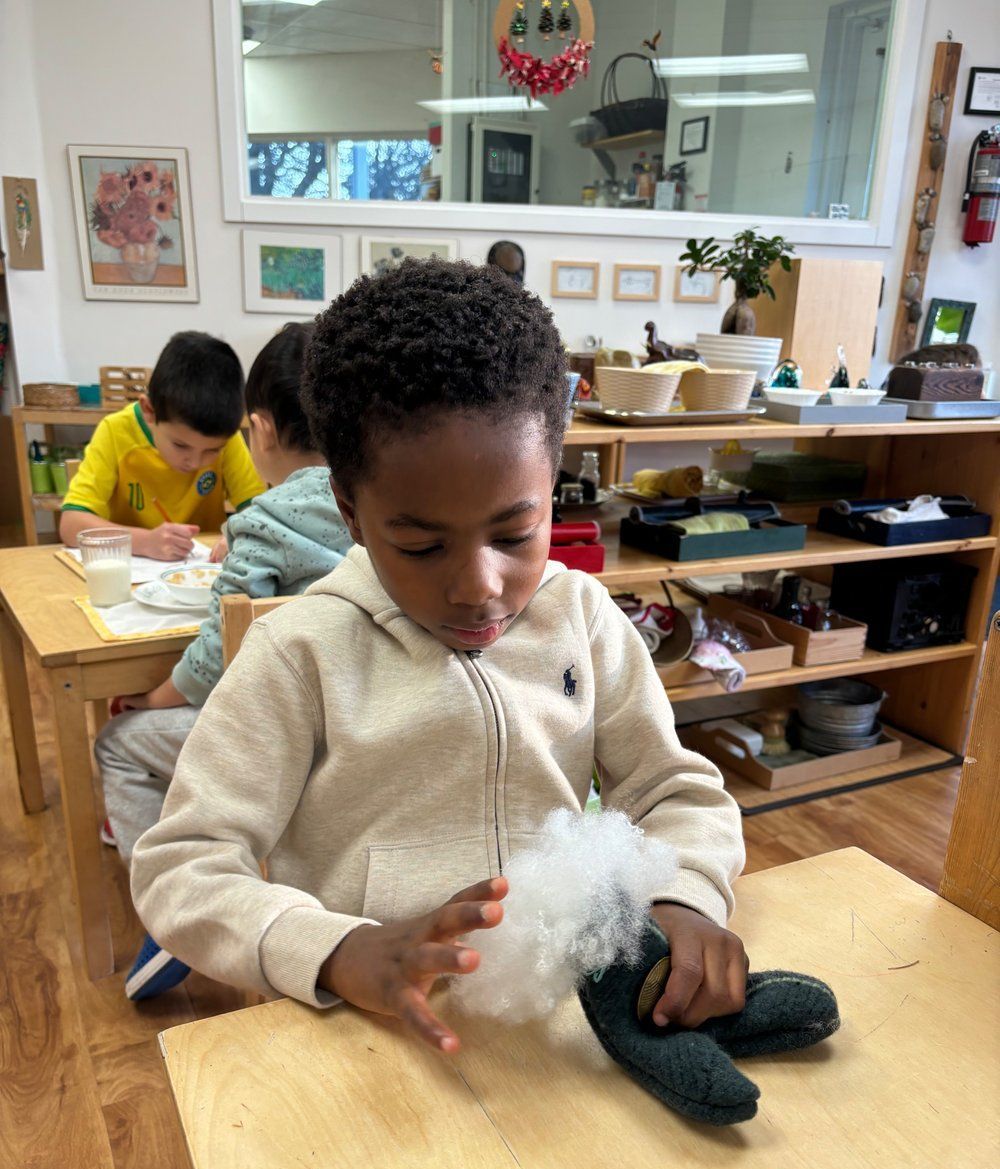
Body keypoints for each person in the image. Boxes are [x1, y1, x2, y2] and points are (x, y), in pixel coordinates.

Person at [131, 260, 747, 1051]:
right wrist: (336, 949)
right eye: (421, 544)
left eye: (515, 534)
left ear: (551, 488)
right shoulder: (301, 653)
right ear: (353, 516)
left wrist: (687, 897)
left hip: (558, 1034)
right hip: (365, 1040)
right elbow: (183, 864)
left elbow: (676, 789)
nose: (477, 585)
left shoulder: (583, 618)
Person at [96, 323, 353, 1000]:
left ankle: (176, 912)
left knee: (120, 744)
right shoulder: (380, 507)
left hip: (273, 743)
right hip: (358, 727)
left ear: (259, 430)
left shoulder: (262, 521)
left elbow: (214, 658)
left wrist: (150, 699)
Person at [60, 331, 264, 563]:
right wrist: (144, 541)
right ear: (149, 411)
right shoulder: (115, 431)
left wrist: (238, 534)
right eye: (180, 445)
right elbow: (71, 524)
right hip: (130, 573)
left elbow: (257, 511)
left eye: (212, 451)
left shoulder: (227, 436)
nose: (195, 462)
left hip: (200, 573)